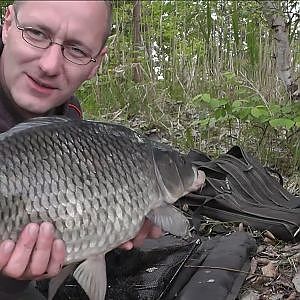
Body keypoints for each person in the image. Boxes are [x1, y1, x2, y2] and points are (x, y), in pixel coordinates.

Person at [0, 1, 161, 299]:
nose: (49, 65)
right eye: (36, 33)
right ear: (7, 24)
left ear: (96, 63)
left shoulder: (68, 118)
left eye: (76, 50)